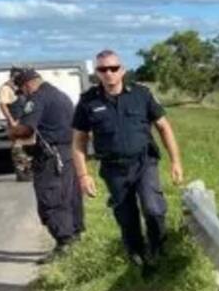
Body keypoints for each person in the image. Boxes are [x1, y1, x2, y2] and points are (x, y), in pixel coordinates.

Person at [71, 49, 183, 276]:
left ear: (122, 70)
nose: (109, 73)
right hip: (114, 169)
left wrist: (175, 161)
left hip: (144, 162)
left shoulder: (141, 95)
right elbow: (78, 141)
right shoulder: (88, 102)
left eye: (113, 68)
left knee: (153, 209)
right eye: (103, 69)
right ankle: (138, 258)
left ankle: (159, 251)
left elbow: (164, 127)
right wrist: (84, 175)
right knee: (127, 217)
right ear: (97, 73)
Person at [1, 68, 84, 262]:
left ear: (28, 84)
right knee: (70, 196)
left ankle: (65, 243)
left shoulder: (37, 98)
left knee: (51, 198)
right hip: (68, 152)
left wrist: (11, 132)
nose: (23, 95)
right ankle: (75, 236)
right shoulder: (61, 95)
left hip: (51, 157)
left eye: (22, 90)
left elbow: (27, 129)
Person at [0, 67, 35, 182]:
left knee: (29, 146)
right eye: (18, 75)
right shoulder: (6, 88)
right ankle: (22, 173)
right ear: (13, 76)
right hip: (16, 121)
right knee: (17, 148)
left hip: (26, 121)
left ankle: (30, 171)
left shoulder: (23, 86)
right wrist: (11, 120)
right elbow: (3, 105)